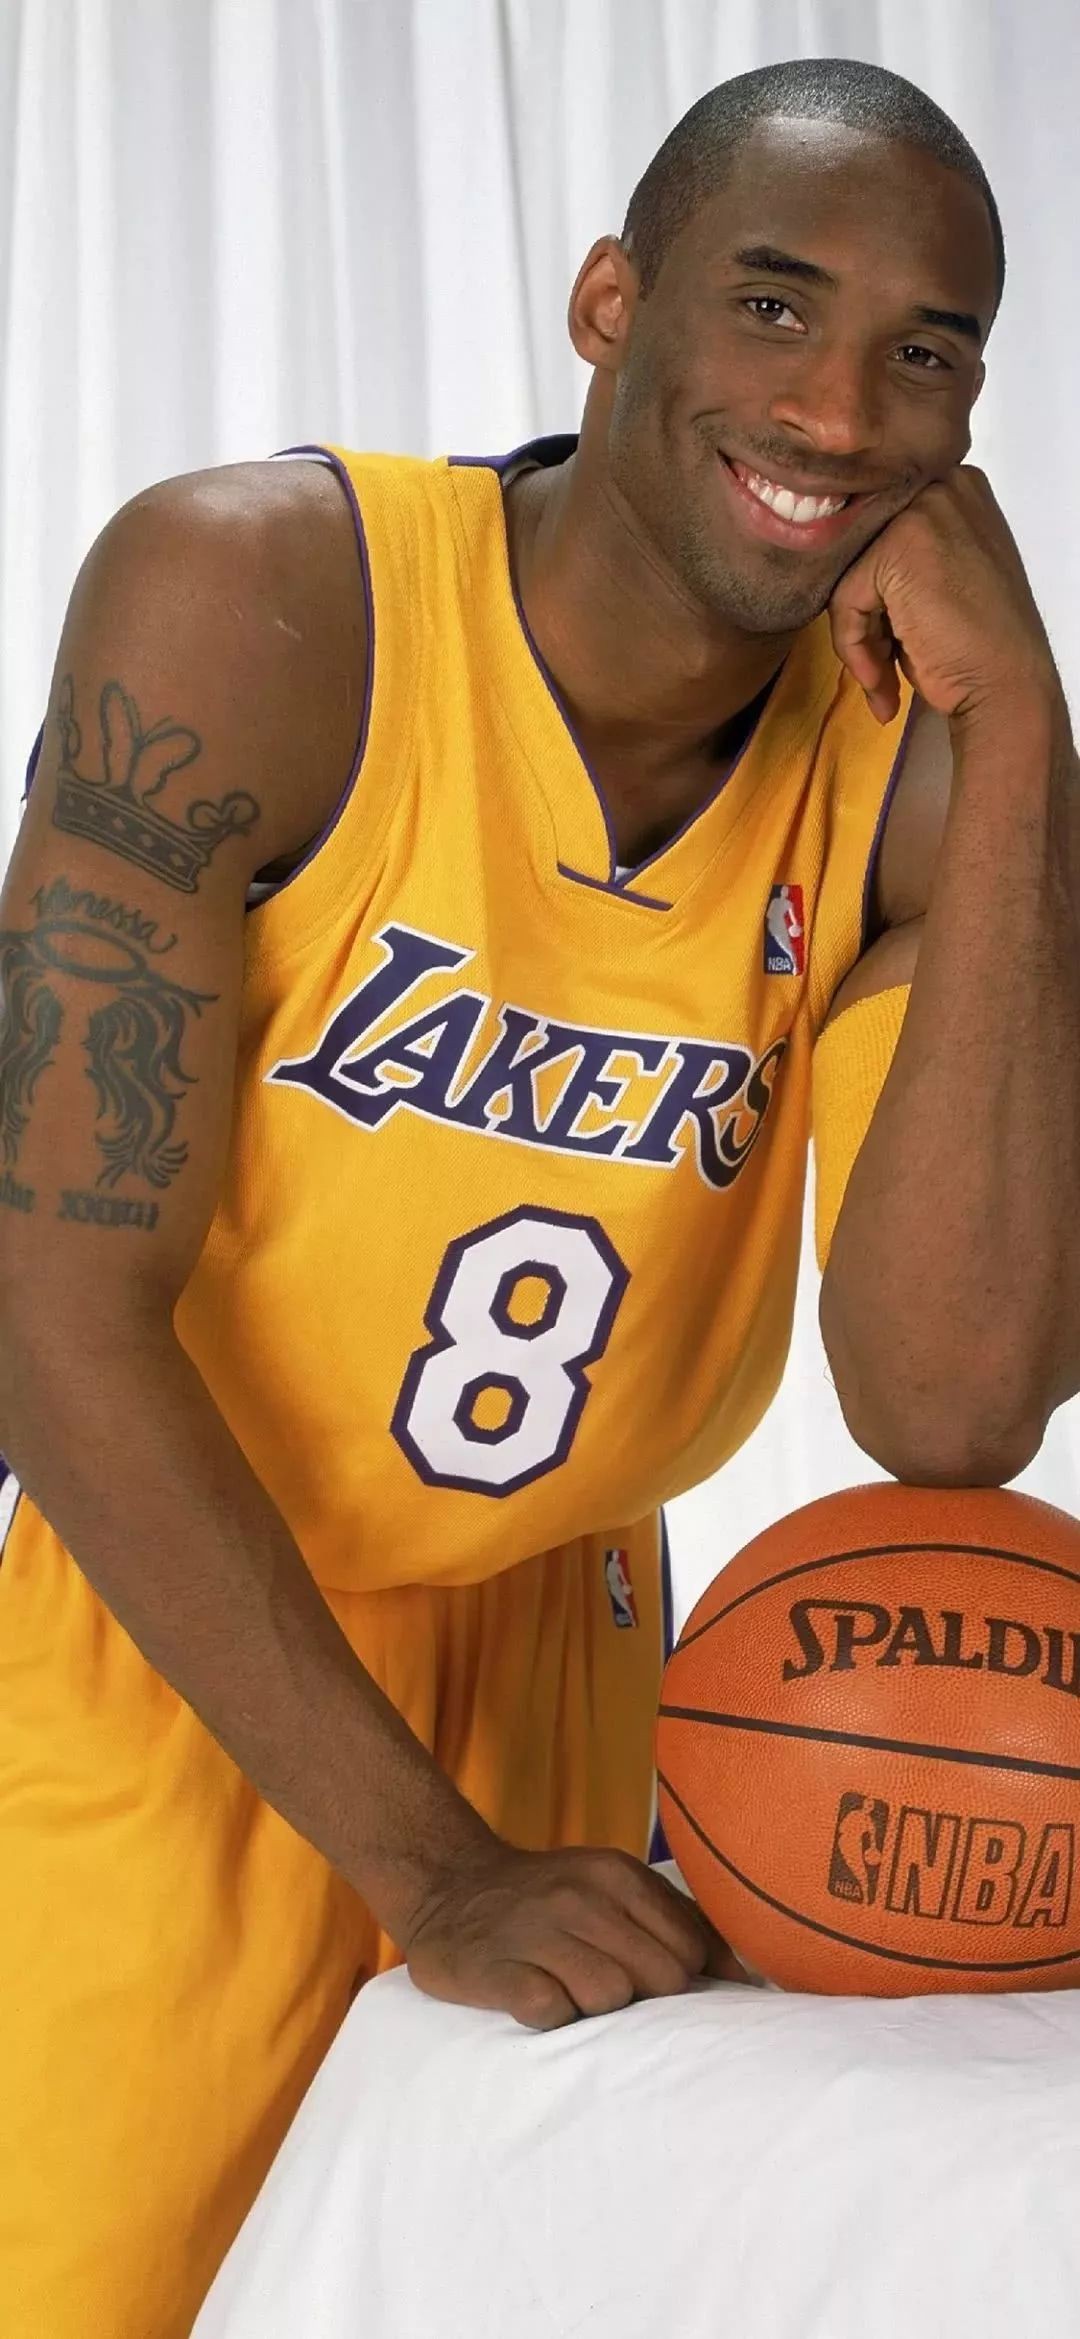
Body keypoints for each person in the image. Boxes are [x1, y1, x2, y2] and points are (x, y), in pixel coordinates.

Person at [2, 49, 1078, 2339]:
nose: (840, 410)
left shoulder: (910, 767)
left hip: (584, 1669)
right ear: (610, 303)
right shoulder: (258, 600)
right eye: (773, 304)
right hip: (172, 1652)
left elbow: (955, 1406)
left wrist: (1026, 766)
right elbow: (43, 1306)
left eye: (925, 353)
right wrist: (434, 1867)